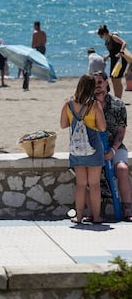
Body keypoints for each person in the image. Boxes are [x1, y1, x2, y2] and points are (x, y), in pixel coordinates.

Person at [60, 75, 106, 223]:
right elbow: (103, 127)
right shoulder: (94, 105)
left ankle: (79, 216)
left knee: (81, 184)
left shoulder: (68, 104)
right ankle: (97, 216)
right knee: (94, 184)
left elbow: (63, 125)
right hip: (93, 148)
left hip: (77, 148)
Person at [93, 71, 132, 221]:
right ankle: (93, 212)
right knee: (91, 174)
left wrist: (113, 150)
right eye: (94, 83)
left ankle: (127, 210)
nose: (97, 86)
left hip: (115, 146)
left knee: (122, 169)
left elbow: (121, 131)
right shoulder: (87, 105)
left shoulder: (118, 105)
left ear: (106, 82)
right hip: (94, 149)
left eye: (99, 82)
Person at [97, 24, 128, 99]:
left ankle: (119, 98)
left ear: (104, 33)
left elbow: (124, 43)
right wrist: (107, 56)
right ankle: (116, 97)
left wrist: (121, 52)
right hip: (113, 60)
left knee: (117, 79)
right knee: (113, 79)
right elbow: (112, 51)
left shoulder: (113, 37)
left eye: (101, 36)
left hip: (120, 60)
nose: (102, 38)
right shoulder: (107, 40)